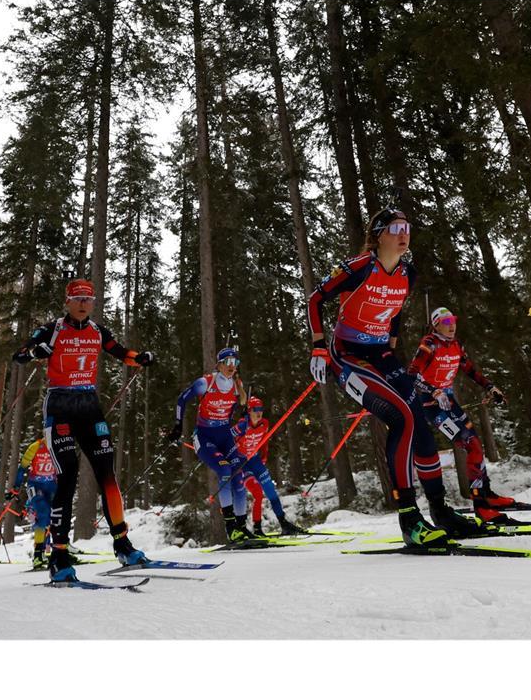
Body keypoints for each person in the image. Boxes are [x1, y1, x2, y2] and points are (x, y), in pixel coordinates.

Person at [307, 206, 485, 547]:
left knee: (418, 416)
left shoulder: (408, 273)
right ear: (378, 236)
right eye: (395, 228)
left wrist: (389, 345)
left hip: (380, 354)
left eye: (407, 227)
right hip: (347, 356)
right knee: (401, 417)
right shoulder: (359, 267)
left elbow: (396, 311)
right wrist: (317, 346)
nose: (404, 234)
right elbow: (316, 299)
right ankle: (408, 517)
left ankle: (440, 510)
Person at [12, 278, 156, 582]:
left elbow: (120, 351)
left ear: (93, 303)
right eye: (77, 298)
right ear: (67, 301)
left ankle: (123, 544)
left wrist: (139, 358)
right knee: (68, 473)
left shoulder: (97, 331)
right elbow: (20, 353)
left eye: (87, 298)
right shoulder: (53, 328)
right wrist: (37, 351)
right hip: (60, 404)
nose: (82, 303)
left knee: (107, 473)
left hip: (89, 405)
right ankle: (59, 554)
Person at [407, 306, 513, 522]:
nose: (451, 325)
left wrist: (490, 387)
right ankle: (480, 505)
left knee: (476, 445)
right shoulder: (429, 344)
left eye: (453, 321)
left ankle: (486, 495)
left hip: (449, 402)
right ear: (436, 325)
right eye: (446, 322)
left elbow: (471, 370)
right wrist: (433, 390)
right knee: (470, 445)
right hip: (431, 405)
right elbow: (412, 374)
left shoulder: (456, 345)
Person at [169, 347, 256, 541]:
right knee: (225, 470)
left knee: (239, 476)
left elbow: (241, 405)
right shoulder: (206, 383)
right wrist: (177, 425)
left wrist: (244, 415)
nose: (232, 367)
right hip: (205, 437)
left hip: (225, 437)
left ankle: (242, 527)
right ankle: (231, 527)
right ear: (220, 364)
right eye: (229, 362)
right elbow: (182, 399)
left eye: (236, 363)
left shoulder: (236, 385)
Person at [232, 396, 305, 536]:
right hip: (243, 465)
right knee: (258, 494)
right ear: (249, 411)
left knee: (271, 492)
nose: (259, 413)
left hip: (256, 462)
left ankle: (284, 523)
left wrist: (264, 456)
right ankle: (257, 529)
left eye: (261, 409)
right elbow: (228, 440)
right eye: (255, 410)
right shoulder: (242, 425)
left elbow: (264, 441)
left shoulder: (264, 424)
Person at [7, 437, 59, 569]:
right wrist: (16, 487)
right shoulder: (35, 447)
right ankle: (37, 555)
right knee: (42, 513)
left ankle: (59, 549)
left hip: (51, 485)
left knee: (56, 516)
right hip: (35, 485)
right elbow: (22, 467)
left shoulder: (58, 444)